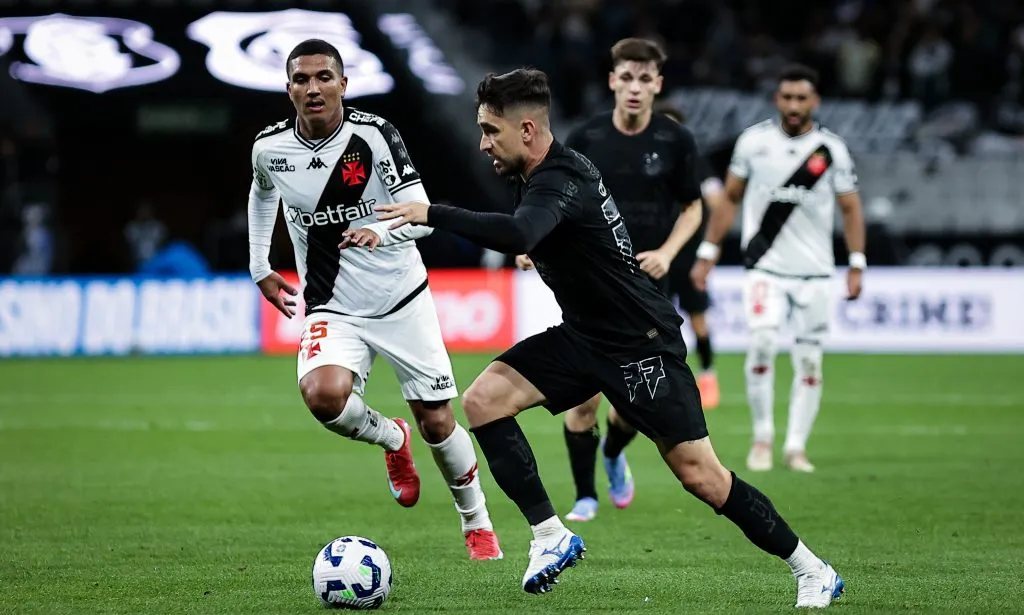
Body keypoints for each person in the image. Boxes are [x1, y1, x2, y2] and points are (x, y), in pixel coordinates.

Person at [370, 67, 844, 607]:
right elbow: (549, 232)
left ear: (527, 129)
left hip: (641, 345)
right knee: (483, 401)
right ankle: (550, 535)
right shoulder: (541, 176)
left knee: (702, 478)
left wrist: (432, 212)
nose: (482, 144)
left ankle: (812, 569)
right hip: (584, 338)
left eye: (490, 130)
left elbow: (523, 230)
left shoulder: (559, 178)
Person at [246, 38, 502, 560]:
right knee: (321, 396)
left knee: (437, 419)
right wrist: (260, 269)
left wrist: (379, 234)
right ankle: (391, 438)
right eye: (301, 79)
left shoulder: (375, 135)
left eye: (323, 77)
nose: (313, 87)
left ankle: (476, 521)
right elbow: (261, 192)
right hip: (332, 303)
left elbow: (422, 212)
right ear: (288, 88)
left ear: (344, 83)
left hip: (401, 297)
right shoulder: (269, 148)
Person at [513, 37, 714, 523]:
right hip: (591, 288)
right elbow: (545, 197)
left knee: (628, 411)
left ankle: (612, 453)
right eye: (626, 77)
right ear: (612, 80)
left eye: (645, 79)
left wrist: (668, 252)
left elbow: (694, 205)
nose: (635, 87)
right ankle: (585, 496)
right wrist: (531, 242)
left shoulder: (675, 141)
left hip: (647, 293)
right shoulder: (585, 139)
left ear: (657, 85)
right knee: (582, 403)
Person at [691, 64, 866, 474]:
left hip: (817, 273)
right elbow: (729, 198)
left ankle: (796, 447)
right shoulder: (754, 143)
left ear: (815, 101)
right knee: (763, 344)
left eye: (801, 98)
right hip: (765, 269)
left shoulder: (831, 150)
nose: (793, 105)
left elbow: (851, 207)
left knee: (809, 362)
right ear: (777, 100)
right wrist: (708, 250)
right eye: (786, 97)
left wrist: (856, 263)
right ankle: (763, 438)